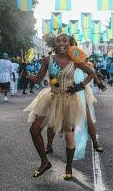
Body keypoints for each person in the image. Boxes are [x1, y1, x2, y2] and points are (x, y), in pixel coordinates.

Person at [25, 33, 96, 180]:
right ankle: (44, 162)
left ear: (70, 43)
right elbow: (39, 79)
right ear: (54, 44)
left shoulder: (75, 61)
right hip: (50, 97)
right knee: (34, 129)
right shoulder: (47, 60)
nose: (62, 43)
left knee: (69, 135)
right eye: (58, 41)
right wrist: (29, 77)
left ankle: (69, 167)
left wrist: (79, 86)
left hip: (69, 100)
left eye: (65, 40)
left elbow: (91, 72)